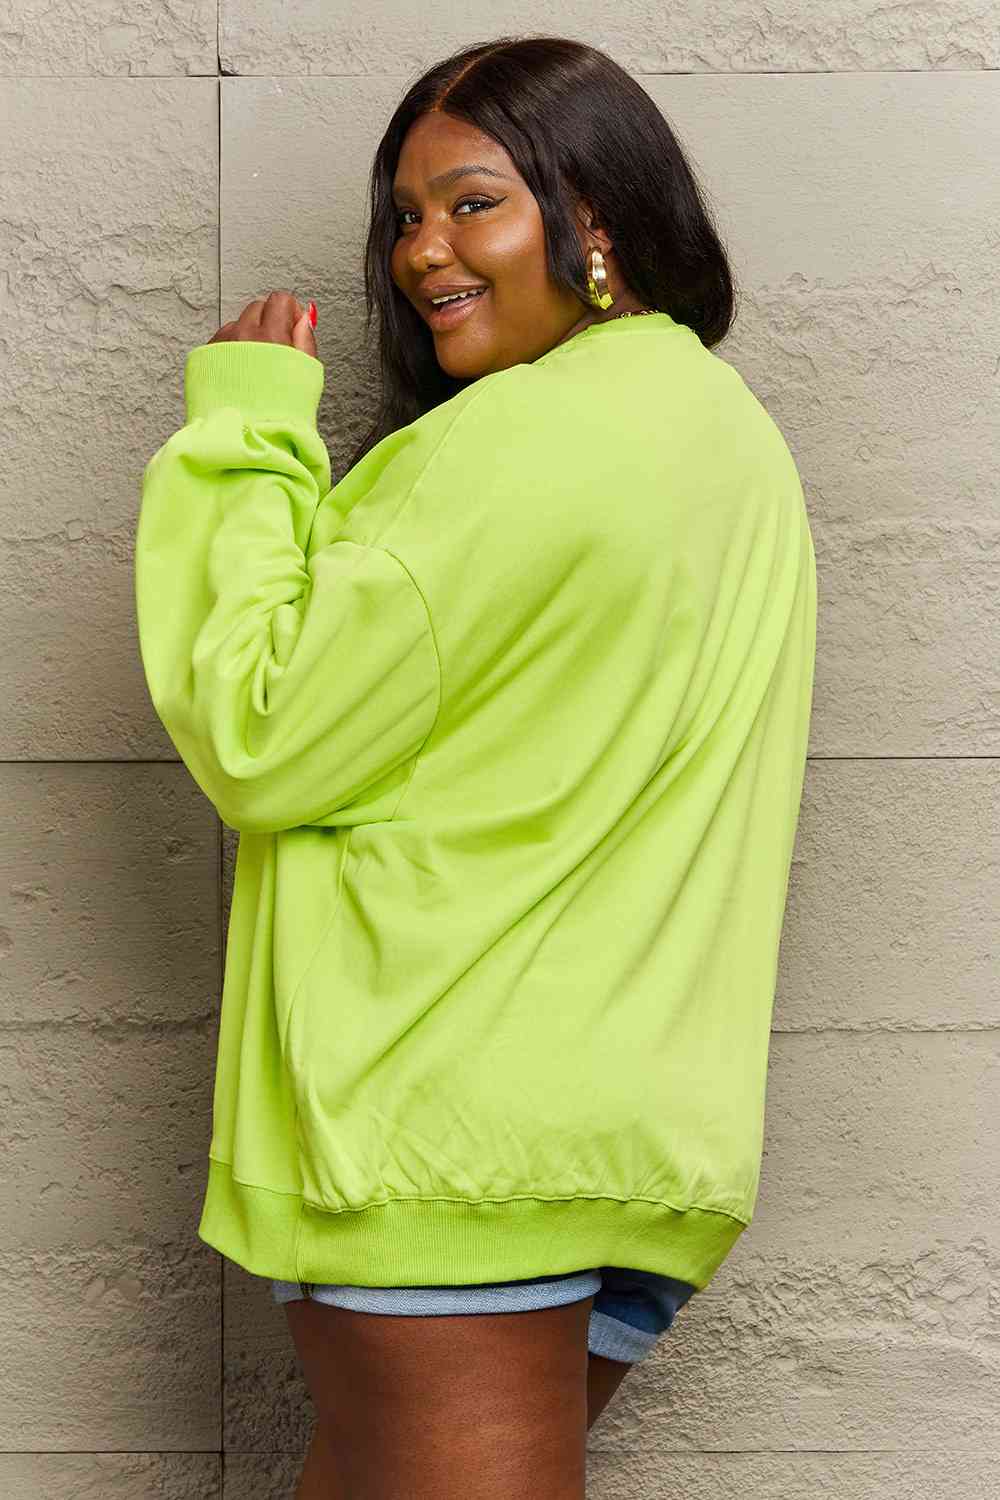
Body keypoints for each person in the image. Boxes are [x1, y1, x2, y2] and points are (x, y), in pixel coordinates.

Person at [134, 34, 817, 1500]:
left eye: (473, 202)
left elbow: (262, 728)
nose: (420, 251)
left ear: (597, 216)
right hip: (620, 1125)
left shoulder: (509, 446)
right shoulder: (725, 434)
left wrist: (245, 434)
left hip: (445, 1132)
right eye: (406, 215)